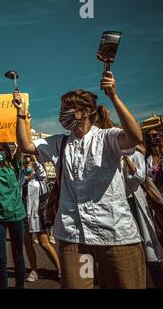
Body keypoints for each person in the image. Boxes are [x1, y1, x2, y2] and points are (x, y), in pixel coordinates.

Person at [14, 71, 146, 289]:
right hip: (73, 237)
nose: (61, 114)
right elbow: (26, 146)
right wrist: (20, 114)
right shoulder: (60, 143)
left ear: (84, 112)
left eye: (66, 109)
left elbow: (134, 137)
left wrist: (113, 95)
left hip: (114, 236)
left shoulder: (108, 137)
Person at [0, 143, 26, 289]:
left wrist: (20, 132)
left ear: (7, 151)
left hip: (16, 215)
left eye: (1, 150)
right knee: (1, 258)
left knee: (18, 256)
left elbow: (21, 148)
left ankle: (20, 286)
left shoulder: (14, 164)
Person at [123, 146, 163, 288]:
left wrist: (127, 160)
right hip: (120, 203)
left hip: (135, 201)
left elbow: (140, 178)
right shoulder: (111, 156)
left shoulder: (136, 155)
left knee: (144, 237)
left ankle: (153, 277)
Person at [19, 155, 61, 282]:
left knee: (44, 243)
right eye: (25, 162)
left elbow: (42, 173)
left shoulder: (39, 177)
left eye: (29, 162)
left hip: (37, 214)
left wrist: (34, 159)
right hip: (24, 214)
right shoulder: (21, 175)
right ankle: (34, 271)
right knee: (27, 243)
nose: (26, 164)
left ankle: (60, 270)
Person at [145, 129, 162, 194]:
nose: (153, 138)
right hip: (157, 194)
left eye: (155, 135)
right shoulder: (146, 160)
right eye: (150, 136)